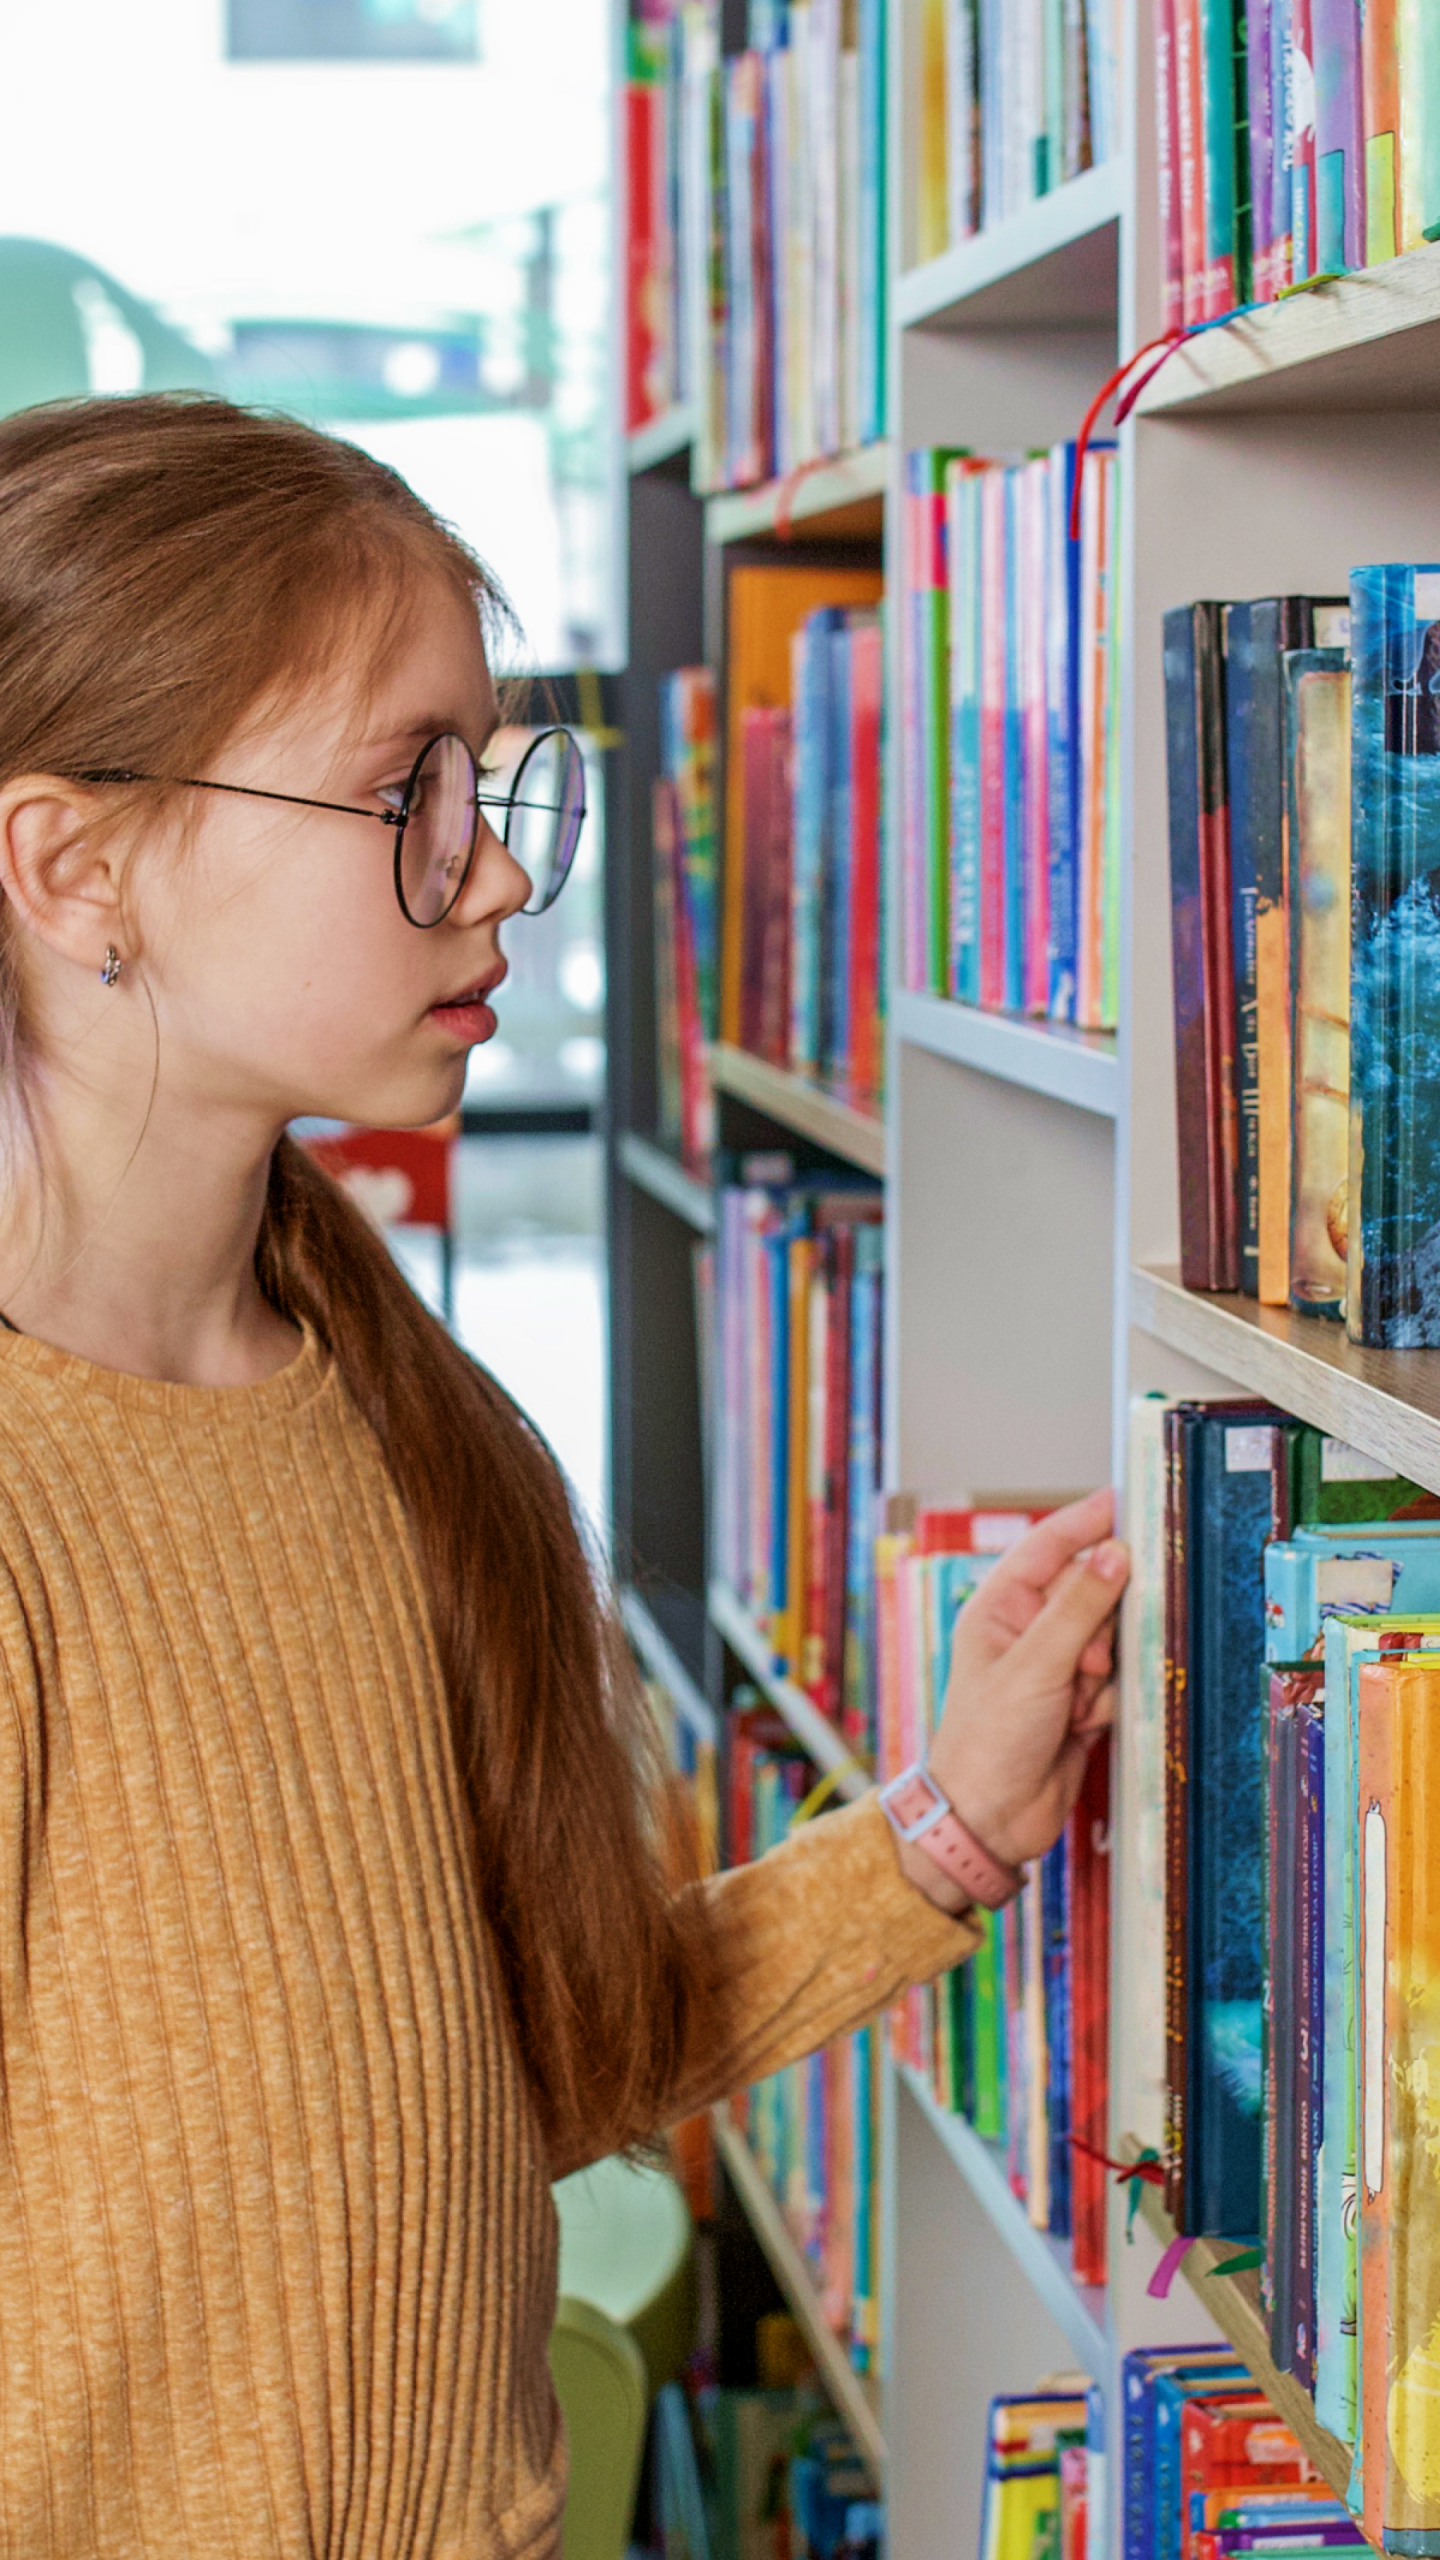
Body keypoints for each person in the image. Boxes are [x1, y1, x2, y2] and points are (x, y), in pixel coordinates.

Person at [0, 393, 1128, 2558]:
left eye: (494, 779)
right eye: (403, 790)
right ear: (74, 869)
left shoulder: (389, 1405)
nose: (497, 861)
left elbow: (530, 2052)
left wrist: (950, 1824)